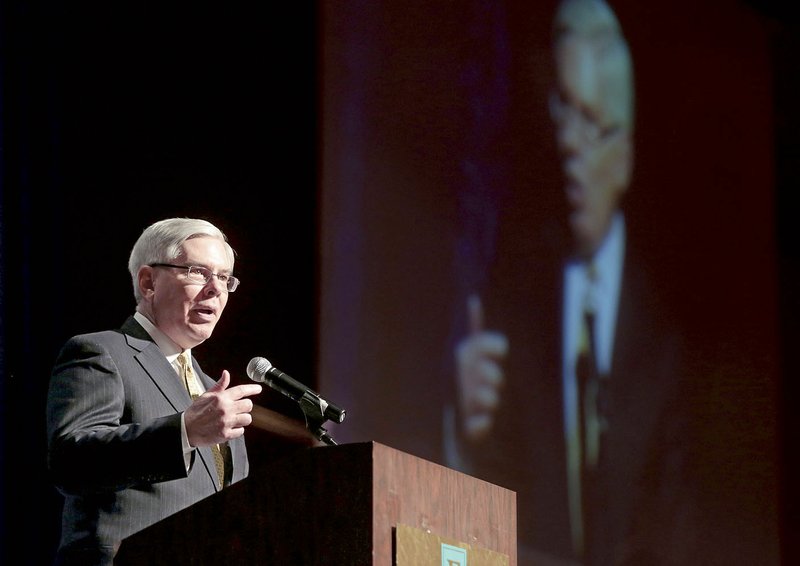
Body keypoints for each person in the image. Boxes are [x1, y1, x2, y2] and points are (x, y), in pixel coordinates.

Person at [448, 1, 695, 564]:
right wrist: (462, 432)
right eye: (562, 113)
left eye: (594, 124)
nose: (572, 147)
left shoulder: (666, 339)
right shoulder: (509, 295)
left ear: (627, 151)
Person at [46, 217, 264, 566]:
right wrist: (183, 432)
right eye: (198, 272)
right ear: (148, 282)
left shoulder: (213, 393)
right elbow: (71, 462)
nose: (215, 289)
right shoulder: (102, 352)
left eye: (224, 277)